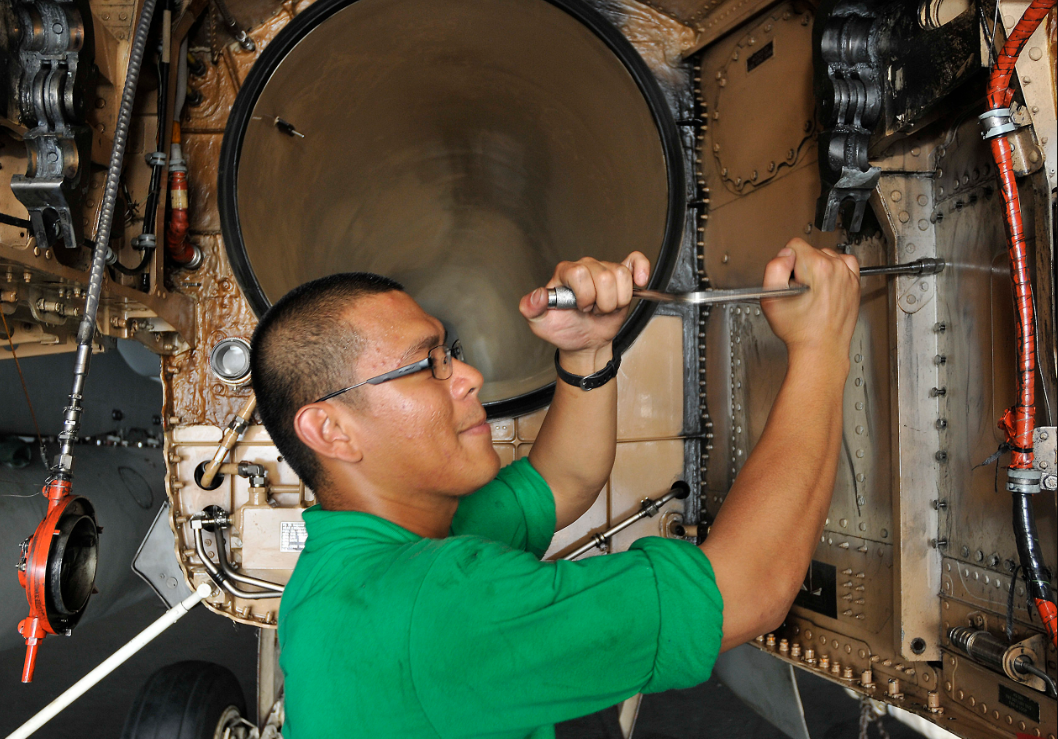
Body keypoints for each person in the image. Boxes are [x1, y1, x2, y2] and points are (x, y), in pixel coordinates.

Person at [249, 238, 860, 739]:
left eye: (449, 351)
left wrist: (588, 347)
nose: (468, 376)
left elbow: (562, 481)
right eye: (426, 363)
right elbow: (748, 593)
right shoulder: (434, 609)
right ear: (330, 429)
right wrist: (821, 346)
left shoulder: (356, 559)